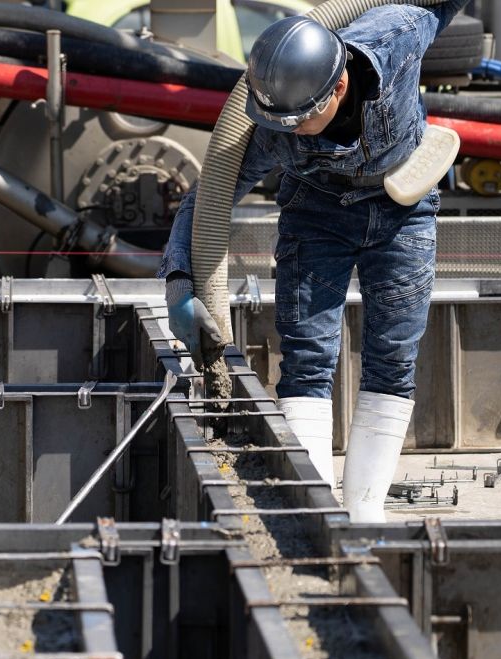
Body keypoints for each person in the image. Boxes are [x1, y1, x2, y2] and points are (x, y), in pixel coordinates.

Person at [160, 1, 471, 522]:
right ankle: (315, 515)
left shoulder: (395, 36)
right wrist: (178, 279)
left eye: (301, 120)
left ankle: (366, 515)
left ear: (341, 87)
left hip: (403, 207)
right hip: (315, 214)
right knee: (306, 359)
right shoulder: (274, 121)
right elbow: (209, 196)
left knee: (393, 359)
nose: (291, 131)